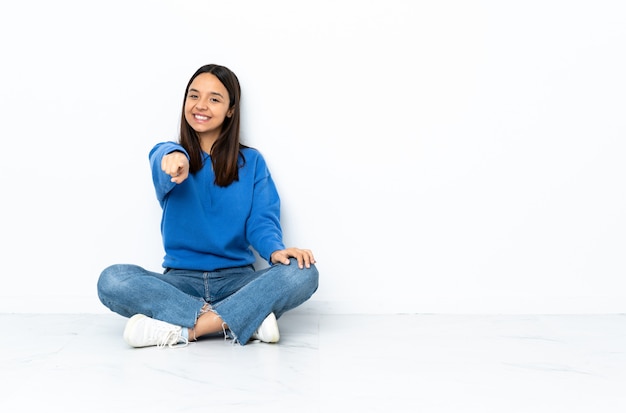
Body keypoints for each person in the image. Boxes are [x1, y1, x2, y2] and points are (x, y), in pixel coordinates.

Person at [97, 64, 319, 348]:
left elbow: (261, 221)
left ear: (230, 110)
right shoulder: (168, 155)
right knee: (113, 280)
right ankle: (245, 320)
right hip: (180, 284)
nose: (201, 105)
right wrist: (175, 159)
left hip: (237, 282)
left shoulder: (251, 162)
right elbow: (163, 157)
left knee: (304, 272)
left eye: (214, 99)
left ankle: (184, 330)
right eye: (194, 96)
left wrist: (276, 250)